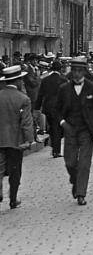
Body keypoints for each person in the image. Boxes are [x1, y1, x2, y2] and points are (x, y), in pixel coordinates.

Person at [56, 57, 93, 205]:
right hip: (70, 128)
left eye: (79, 71)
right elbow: (56, 109)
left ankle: (81, 193)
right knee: (70, 162)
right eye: (74, 71)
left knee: (84, 163)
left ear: (84, 71)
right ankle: (75, 180)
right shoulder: (64, 89)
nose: (76, 74)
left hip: (86, 130)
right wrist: (62, 122)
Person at [0, 65, 34, 209]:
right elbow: (26, 122)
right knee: (15, 170)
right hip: (15, 140)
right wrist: (29, 140)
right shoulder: (23, 99)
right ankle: (13, 199)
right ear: (18, 81)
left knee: (0, 168)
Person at [36, 59, 67, 158]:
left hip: (48, 107)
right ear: (60, 69)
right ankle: (56, 150)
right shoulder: (63, 80)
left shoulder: (45, 80)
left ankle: (54, 146)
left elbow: (40, 94)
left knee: (53, 127)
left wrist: (37, 107)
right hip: (59, 108)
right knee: (58, 128)